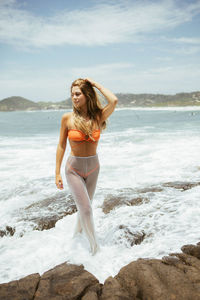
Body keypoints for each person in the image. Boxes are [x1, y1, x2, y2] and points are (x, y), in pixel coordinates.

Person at [55, 78, 118, 255]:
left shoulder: (98, 116)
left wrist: (95, 84)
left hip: (93, 169)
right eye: (72, 94)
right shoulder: (67, 118)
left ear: (86, 95)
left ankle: (76, 237)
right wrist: (57, 173)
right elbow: (61, 145)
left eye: (77, 94)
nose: (74, 98)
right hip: (73, 169)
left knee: (85, 208)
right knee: (87, 209)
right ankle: (95, 249)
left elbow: (113, 100)